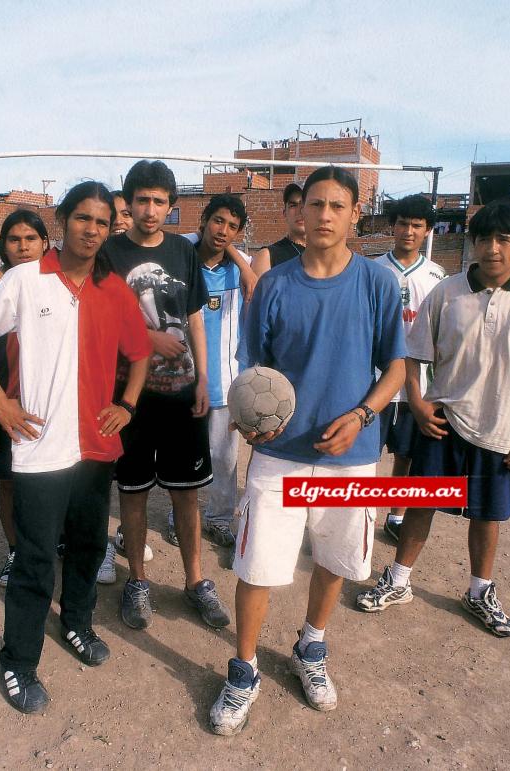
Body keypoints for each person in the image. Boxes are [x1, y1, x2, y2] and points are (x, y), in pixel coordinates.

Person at [209, 166, 406, 736]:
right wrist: (250, 422)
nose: (322, 216)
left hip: (353, 454)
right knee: (258, 566)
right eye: (314, 204)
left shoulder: (376, 284)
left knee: (335, 561)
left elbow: (396, 366)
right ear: (299, 212)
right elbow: (251, 370)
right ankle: (243, 670)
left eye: (336, 207)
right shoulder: (274, 285)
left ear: (353, 215)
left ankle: (311, 647)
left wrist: (363, 415)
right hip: (281, 455)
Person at [0, 181, 151, 714]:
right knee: (37, 556)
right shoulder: (25, 280)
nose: (92, 230)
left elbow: (138, 354)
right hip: (40, 446)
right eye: (82, 219)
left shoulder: (114, 290)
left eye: (102, 222)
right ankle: (18, 662)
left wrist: (129, 406)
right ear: (62, 221)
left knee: (89, 547)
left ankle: (76, 624)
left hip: (95, 445)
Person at [355, 200, 510, 637]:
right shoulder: (447, 292)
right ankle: (398, 581)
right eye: (485, 239)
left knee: (488, 515)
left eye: (504, 240)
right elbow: (413, 355)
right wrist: (416, 403)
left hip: (502, 429)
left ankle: (478, 591)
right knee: (422, 503)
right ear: (473, 242)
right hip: (445, 422)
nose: (493, 249)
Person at [104, 159, 232, 631]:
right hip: (129, 400)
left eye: (160, 201)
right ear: (129, 203)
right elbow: (98, 319)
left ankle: (196, 580)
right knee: (133, 494)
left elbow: (195, 317)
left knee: (186, 496)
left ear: (172, 207)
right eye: (142, 200)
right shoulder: (111, 254)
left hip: (182, 395)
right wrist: (146, 338)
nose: (150, 209)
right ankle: (137, 581)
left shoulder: (183, 252)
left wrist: (203, 379)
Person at [162, 194, 251, 550]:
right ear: (203, 220)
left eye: (232, 226)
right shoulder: (180, 256)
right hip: (181, 380)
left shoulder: (240, 267)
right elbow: (182, 240)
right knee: (179, 456)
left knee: (225, 458)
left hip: (225, 382)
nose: (223, 231)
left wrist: (242, 266)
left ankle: (217, 518)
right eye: (217, 221)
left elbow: (248, 266)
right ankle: (176, 517)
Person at [0, 210, 52, 586]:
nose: (22, 247)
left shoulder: (58, 284)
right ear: (3, 245)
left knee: (52, 481)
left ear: (45, 243)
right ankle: (16, 550)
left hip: (50, 405)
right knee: (9, 482)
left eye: (30, 239)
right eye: (14, 240)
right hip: (7, 406)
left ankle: (51, 544)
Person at [367, 195, 447, 544]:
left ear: (427, 229)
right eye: (403, 223)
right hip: (373, 380)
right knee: (366, 454)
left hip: (417, 386)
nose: (409, 231)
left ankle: (396, 515)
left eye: (417, 225)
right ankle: (359, 514)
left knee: (408, 457)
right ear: (392, 226)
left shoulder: (437, 277)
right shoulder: (371, 270)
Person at [251, 183, 305, 275]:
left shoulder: (330, 254)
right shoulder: (267, 257)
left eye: (305, 204)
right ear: (284, 213)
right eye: (293, 205)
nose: (300, 211)